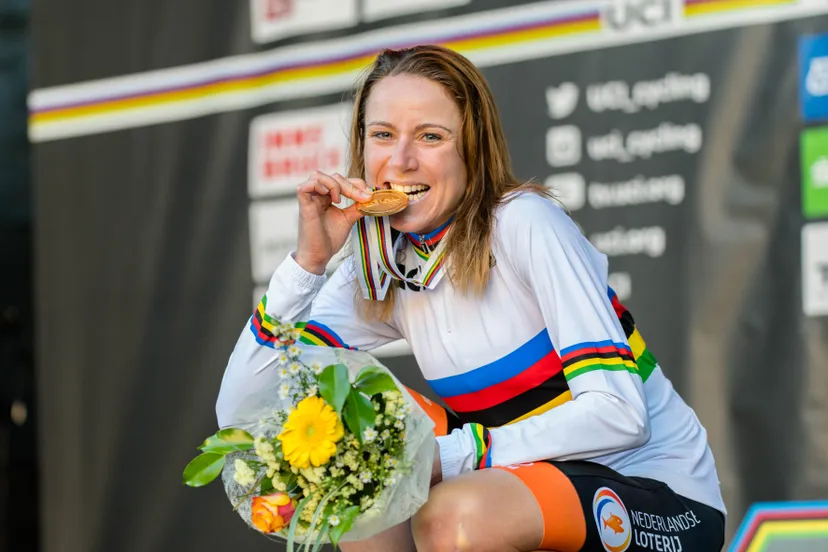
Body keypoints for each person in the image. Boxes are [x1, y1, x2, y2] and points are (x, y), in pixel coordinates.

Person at [216, 45, 726, 552]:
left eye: (430, 137)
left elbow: (621, 415)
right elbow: (244, 408)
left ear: (472, 149)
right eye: (383, 135)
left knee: (453, 517)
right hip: (521, 482)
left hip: (657, 495)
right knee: (358, 458)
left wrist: (453, 455)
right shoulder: (377, 264)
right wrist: (306, 264)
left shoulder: (524, 223)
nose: (401, 161)